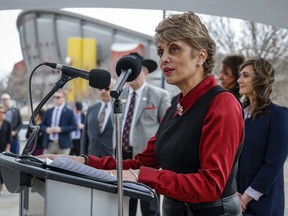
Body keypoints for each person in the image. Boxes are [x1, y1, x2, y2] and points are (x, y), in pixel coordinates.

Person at [39, 11, 244, 216]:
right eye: (161, 51)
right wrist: (81, 161)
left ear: (201, 56)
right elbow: (142, 162)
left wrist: (141, 176)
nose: (164, 59)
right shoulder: (176, 106)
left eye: (174, 49)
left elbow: (210, 185)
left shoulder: (222, 103)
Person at [120, 52, 170, 216]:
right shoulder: (121, 94)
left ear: (145, 72)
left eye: (134, 71)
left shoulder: (159, 95)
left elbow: (167, 129)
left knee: (149, 206)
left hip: (146, 159)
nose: (130, 75)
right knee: (126, 204)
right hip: (123, 155)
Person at [236, 57, 288, 216]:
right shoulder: (238, 114)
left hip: (263, 204)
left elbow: (274, 163)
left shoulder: (279, 116)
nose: (239, 80)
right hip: (234, 200)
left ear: (260, 79)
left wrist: (246, 197)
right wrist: (232, 194)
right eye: (240, 75)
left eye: (245, 76)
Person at [80, 80, 115, 157]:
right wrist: (82, 156)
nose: (103, 91)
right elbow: (85, 136)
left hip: (111, 157)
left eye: (106, 89)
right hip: (92, 156)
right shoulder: (91, 109)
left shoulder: (118, 110)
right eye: (100, 89)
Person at [40, 89, 77, 154]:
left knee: (62, 164)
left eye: (58, 97)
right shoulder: (48, 111)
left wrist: (61, 129)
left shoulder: (69, 111)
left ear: (64, 98)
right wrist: (46, 129)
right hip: (50, 144)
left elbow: (74, 126)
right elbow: (41, 125)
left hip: (63, 145)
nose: (55, 99)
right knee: (46, 163)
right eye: (54, 97)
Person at [0, 104, 12, 194]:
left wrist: (8, 148)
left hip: (3, 148)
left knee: (2, 168)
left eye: (3, 112)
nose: (1, 113)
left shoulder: (8, 123)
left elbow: (9, 138)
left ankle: (2, 182)